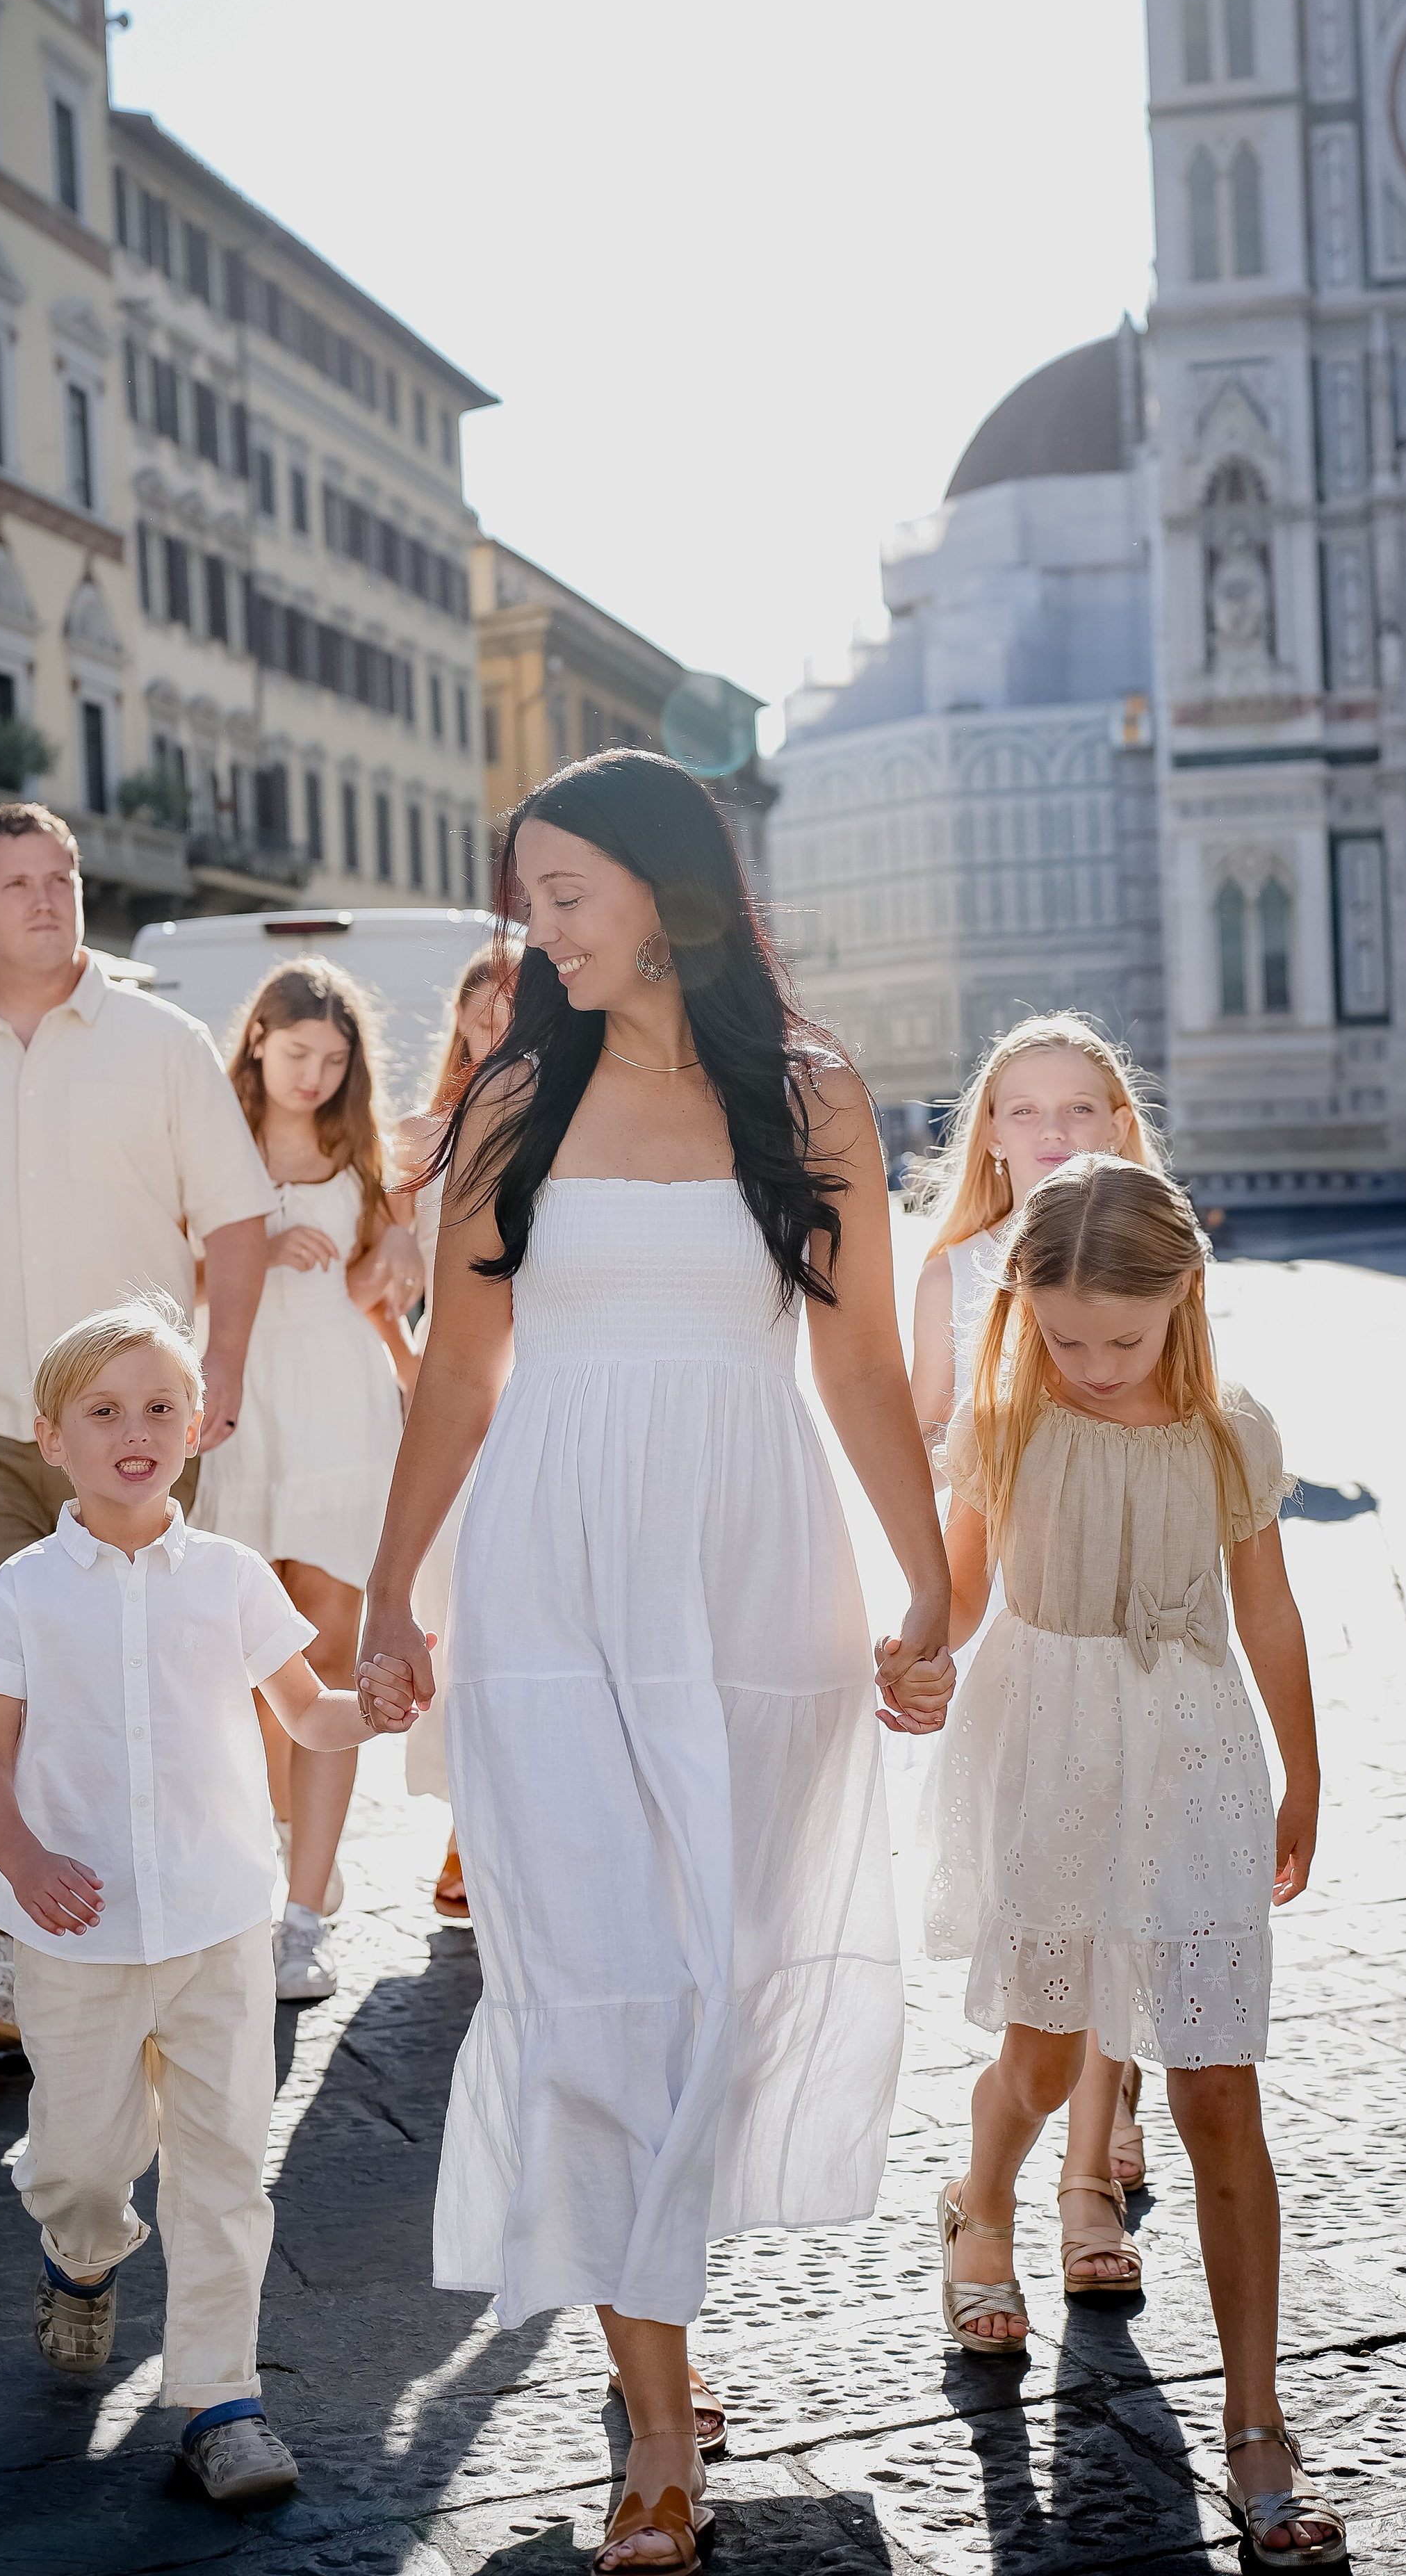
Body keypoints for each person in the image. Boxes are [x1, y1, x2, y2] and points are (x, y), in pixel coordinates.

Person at [355, 750, 956, 2575]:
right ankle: (658, 2416)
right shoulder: (515, 1095)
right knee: (597, 1970)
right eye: (528, 898)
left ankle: (655, 2347)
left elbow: (857, 1370)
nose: (537, 927)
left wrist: (931, 1586)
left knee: (724, 1971)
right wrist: (391, 1598)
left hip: (751, 1561)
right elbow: (460, 1377)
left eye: (563, 891)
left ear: (665, 884)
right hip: (551, 1569)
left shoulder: (814, 1098)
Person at [931, 1154, 1346, 2566]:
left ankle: (1252, 2418)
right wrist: (908, 1652)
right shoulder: (1005, 1420)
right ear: (1022, 1315)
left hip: (1192, 1759)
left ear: (1184, 1295)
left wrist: (1302, 1776)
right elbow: (956, 1590)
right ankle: (980, 2199)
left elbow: (1270, 1614)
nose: (1094, 1365)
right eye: (1064, 1339)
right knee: (1042, 2062)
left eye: (1124, 1336)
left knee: (1216, 2084)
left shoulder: (1229, 1431)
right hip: (1047, 1760)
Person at [0, 803, 275, 2058]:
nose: (45, 899)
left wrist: (222, 1356)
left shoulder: (164, 1041)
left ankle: (160, 1927)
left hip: (131, 1425)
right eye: (18, 882)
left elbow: (234, 1217)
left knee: (153, 1676)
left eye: (60, 878)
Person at [0, 1291, 417, 2506]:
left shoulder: (230, 1576)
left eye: (161, 1405)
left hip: (220, 1926)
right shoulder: (21, 1592)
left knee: (224, 2174)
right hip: (78, 1937)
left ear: (202, 1425)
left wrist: (378, 1704)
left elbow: (306, 1714)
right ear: (52, 1437)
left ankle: (222, 2400)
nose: (134, 1428)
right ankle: (81, 2253)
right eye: (102, 1410)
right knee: (81, 2162)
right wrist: (29, 1861)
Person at [909, 1014, 1164, 2280]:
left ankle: (1085, 2193)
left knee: (1127, 1901)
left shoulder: (1164, 1255)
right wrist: (919, 1628)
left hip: (1145, 1640)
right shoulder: (955, 1274)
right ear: (990, 1139)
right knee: (1050, 1926)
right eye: (1025, 1111)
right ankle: (1007, 2170)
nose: (1054, 1132)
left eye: (1080, 1109)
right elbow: (930, 1469)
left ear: (1119, 1127)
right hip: (1017, 1632)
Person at [189, 960, 423, 2001]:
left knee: (328, 1649)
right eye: (297, 1055)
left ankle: (307, 1912)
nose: (315, 1076)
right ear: (256, 1043)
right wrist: (244, 1250)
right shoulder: (210, 1141)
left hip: (341, 1408)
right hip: (239, 1408)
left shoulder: (366, 1151)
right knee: (242, 1660)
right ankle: (255, 1879)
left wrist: (399, 1252)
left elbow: (389, 1283)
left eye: (333, 1059)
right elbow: (156, 1261)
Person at [391, 939, 518, 1920]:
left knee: (522, 1610)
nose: (497, 1020)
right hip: (451, 1391)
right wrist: (404, 1362)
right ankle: (470, 1824)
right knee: (458, 1607)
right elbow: (377, 1272)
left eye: (515, 1005)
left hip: (544, 1385)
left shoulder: (571, 1126)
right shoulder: (419, 1137)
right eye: (483, 1005)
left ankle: (512, 1824)